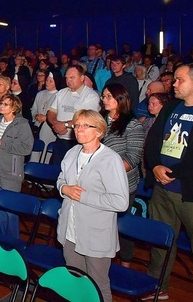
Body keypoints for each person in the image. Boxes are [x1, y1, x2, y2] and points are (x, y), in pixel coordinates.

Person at [56, 109, 129, 302]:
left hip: (96, 233)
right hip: (70, 230)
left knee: (98, 284)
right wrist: (64, 189)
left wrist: (83, 196)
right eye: (77, 125)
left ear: (99, 131)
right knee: (75, 280)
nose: (79, 129)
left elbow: (121, 202)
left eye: (86, 126)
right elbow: (61, 179)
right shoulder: (72, 153)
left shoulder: (110, 159)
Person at [142, 63, 193, 300]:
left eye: (179, 80)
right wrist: (155, 166)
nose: (173, 84)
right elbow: (153, 140)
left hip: (191, 191)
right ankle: (158, 286)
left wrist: (172, 173)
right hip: (162, 187)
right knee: (161, 241)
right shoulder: (171, 107)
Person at [100, 83, 145, 268]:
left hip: (122, 184)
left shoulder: (132, 124)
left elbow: (132, 157)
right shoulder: (100, 119)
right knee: (103, 225)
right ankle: (102, 261)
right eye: (103, 96)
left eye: (109, 96)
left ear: (121, 99)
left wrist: (108, 173)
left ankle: (125, 265)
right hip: (100, 183)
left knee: (122, 227)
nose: (104, 99)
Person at [0, 93, 34, 239]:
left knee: (10, 211)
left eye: (6, 104)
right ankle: (3, 239)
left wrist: (4, 144)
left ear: (14, 108)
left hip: (11, 172)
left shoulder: (22, 124)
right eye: (1, 103)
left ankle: (14, 243)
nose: (1, 106)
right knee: (0, 209)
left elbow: (27, 148)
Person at [46, 65, 101, 166]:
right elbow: (51, 112)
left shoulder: (90, 96)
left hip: (78, 142)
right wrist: (56, 124)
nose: (68, 80)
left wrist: (65, 125)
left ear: (82, 78)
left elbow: (87, 119)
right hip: (60, 140)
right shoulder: (61, 93)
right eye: (67, 78)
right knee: (57, 172)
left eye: (72, 77)